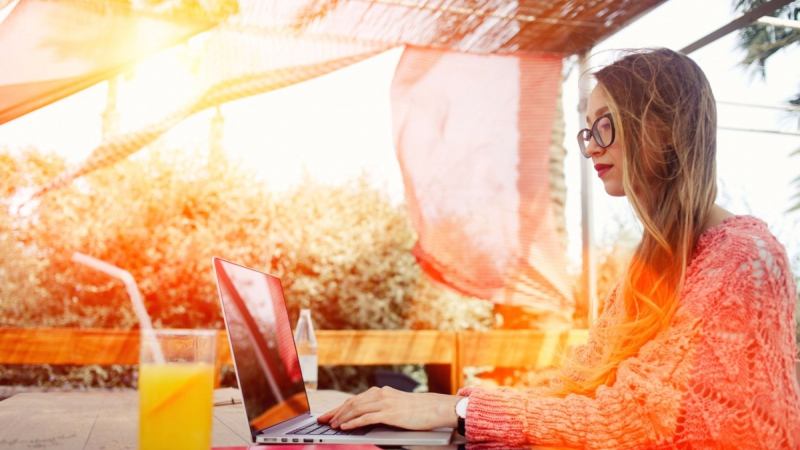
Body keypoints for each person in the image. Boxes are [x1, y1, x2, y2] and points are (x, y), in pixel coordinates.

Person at [318, 48, 800, 448]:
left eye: (605, 125)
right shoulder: (649, 266)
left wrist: (458, 411)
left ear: (663, 127)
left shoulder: (745, 259)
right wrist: (448, 410)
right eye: (588, 130)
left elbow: (643, 420)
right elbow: (578, 386)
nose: (591, 147)